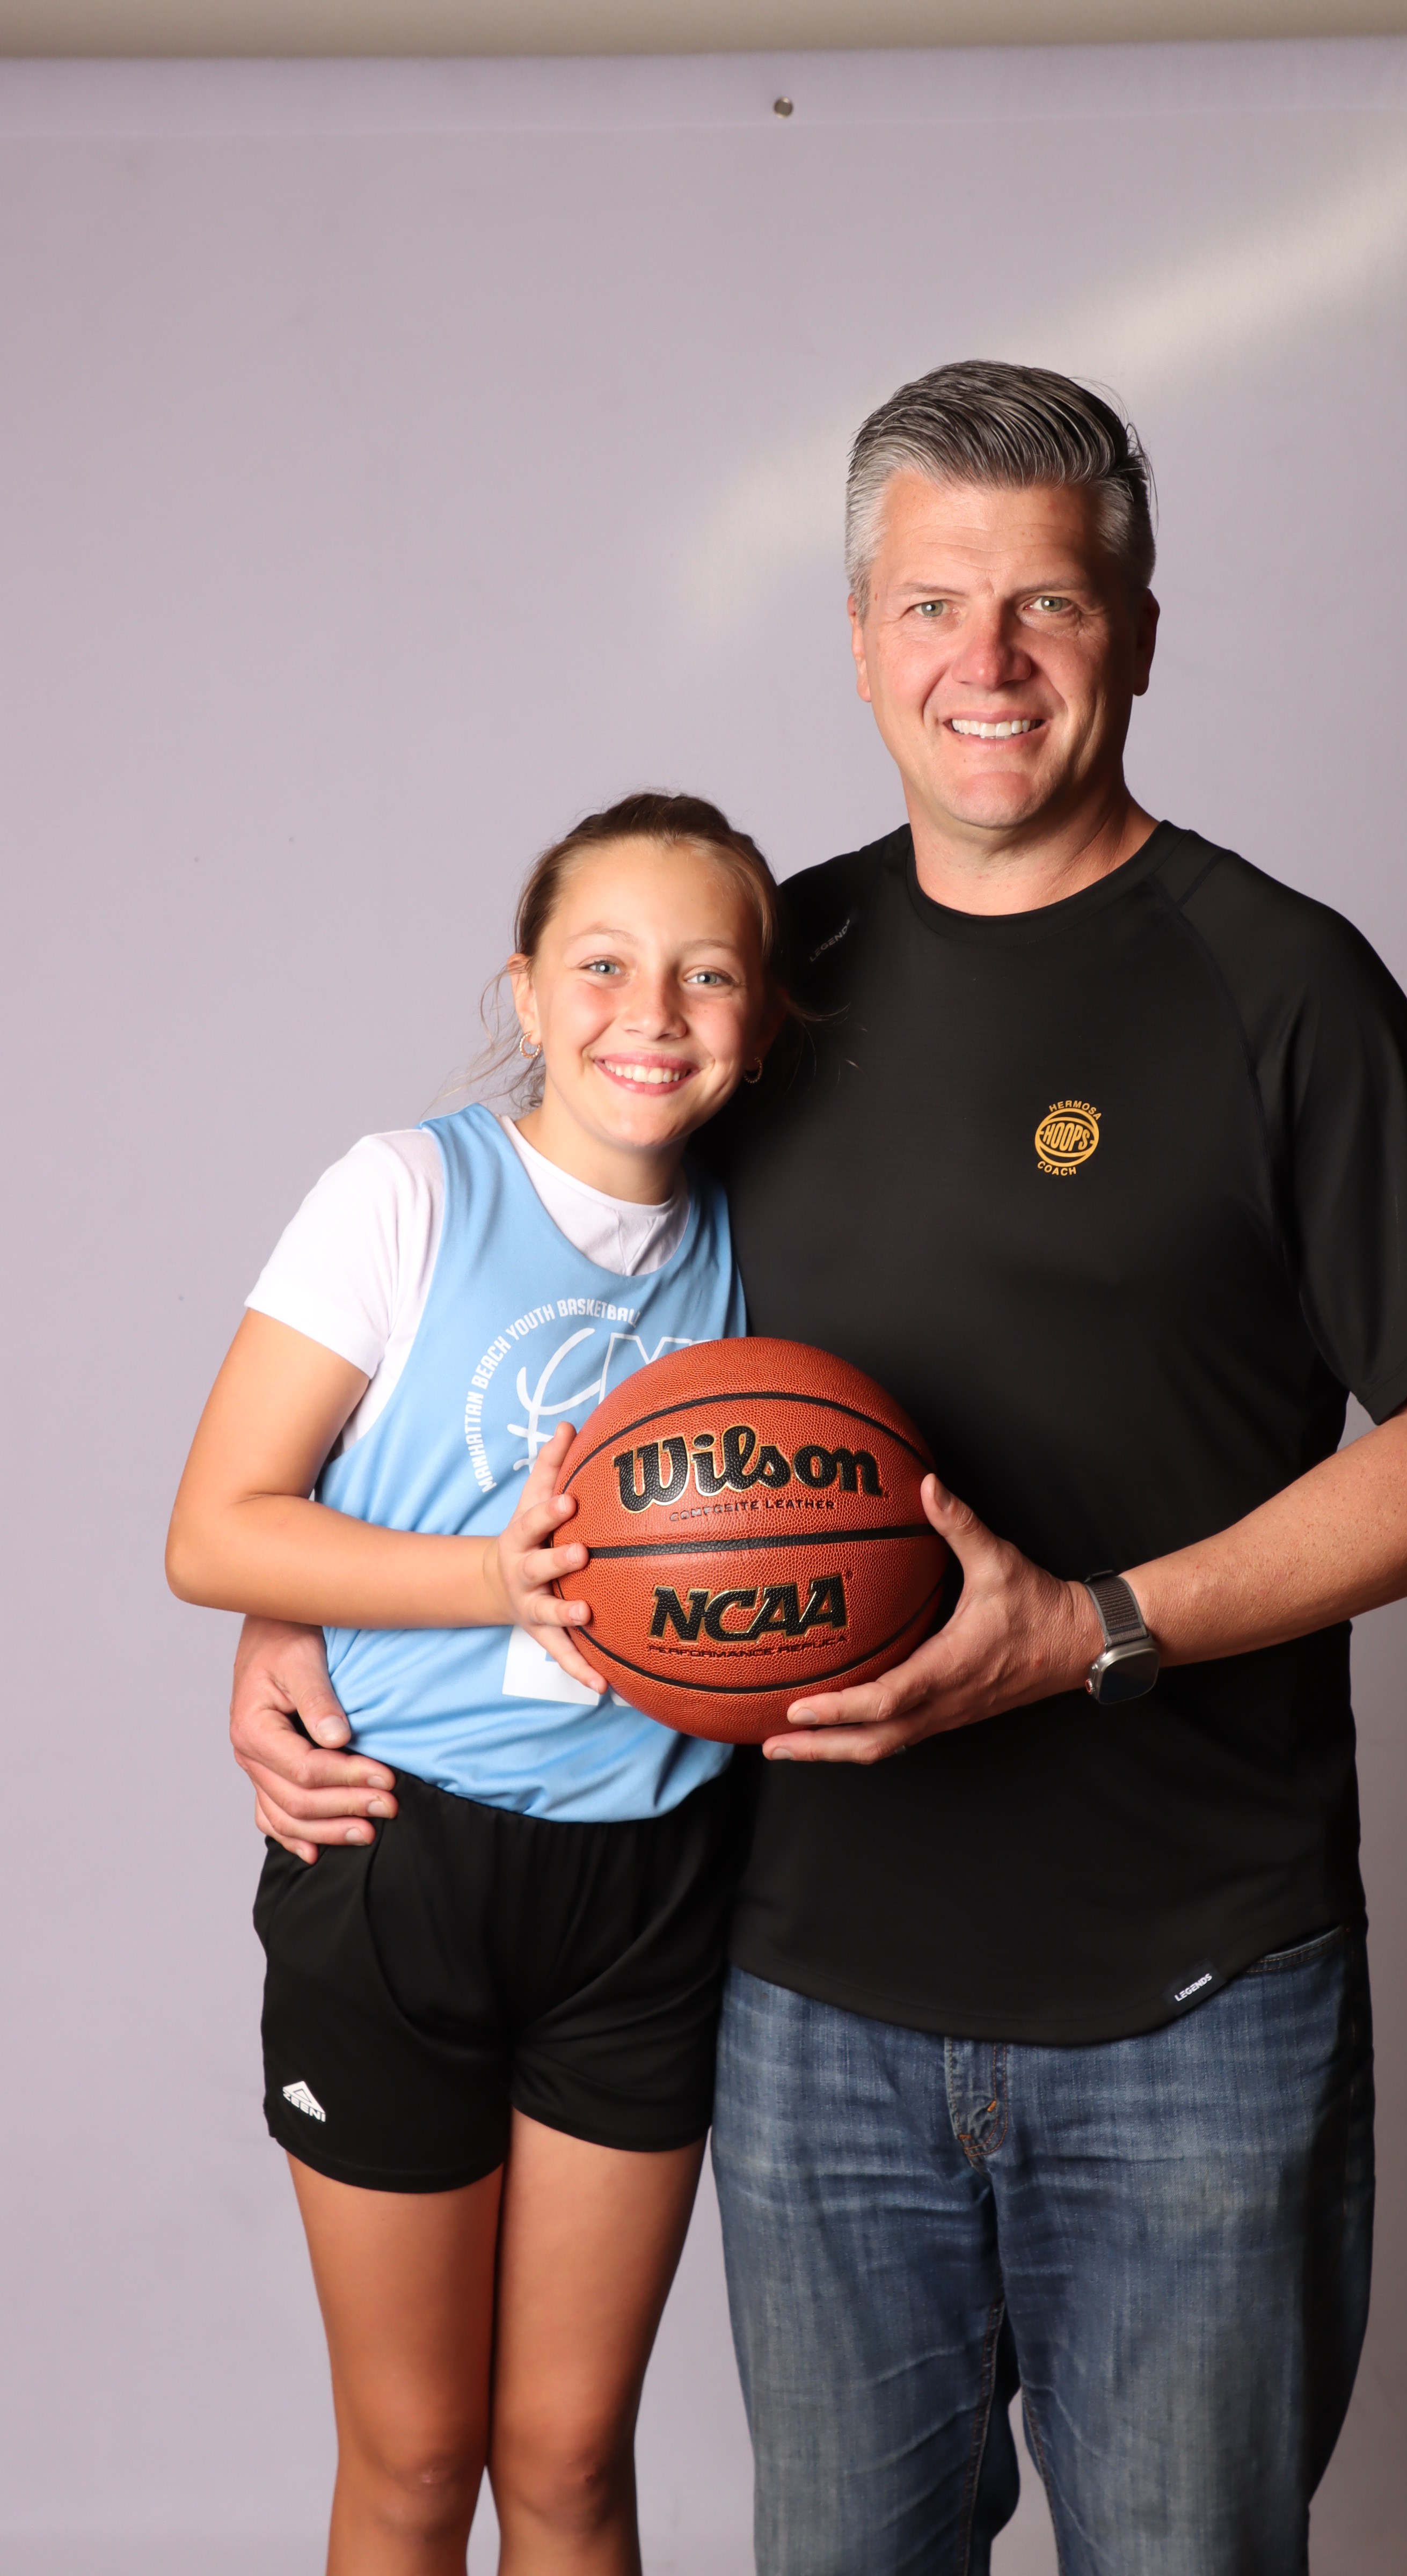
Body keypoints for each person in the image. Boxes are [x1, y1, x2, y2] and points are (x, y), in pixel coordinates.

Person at [229, 364, 1407, 2576]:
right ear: (858, 638)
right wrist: (309, 1601)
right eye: (933, 605)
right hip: (802, 1995)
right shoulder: (773, 979)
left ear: (1141, 633)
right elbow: (521, 1327)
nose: (988, 662)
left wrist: (1097, 1629)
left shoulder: (1282, 988)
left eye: (1050, 604)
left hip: (1189, 1995)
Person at [167, 793, 789, 2576]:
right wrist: (488, 1583)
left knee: (572, 2461)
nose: (650, 1013)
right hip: (403, 1861)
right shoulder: (410, 1192)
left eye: (706, 974)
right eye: (602, 965)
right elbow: (216, 1531)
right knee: (419, 2456)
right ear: (525, 991)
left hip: (650, 1890)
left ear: (759, 1023)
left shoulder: (761, 1244)